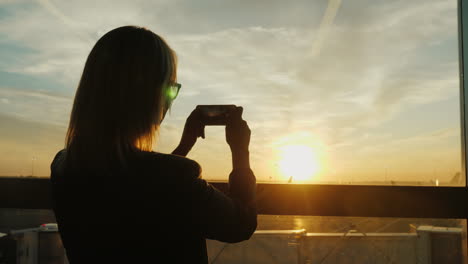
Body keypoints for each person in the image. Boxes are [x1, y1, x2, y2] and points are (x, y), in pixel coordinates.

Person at [50, 25, 257, 263]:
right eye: (170, 89)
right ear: (145, 94)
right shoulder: (175, 178)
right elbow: (240, 224)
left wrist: (184, 146)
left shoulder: (64, 167)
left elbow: (143, 186)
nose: (170, 101)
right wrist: (241, 151)